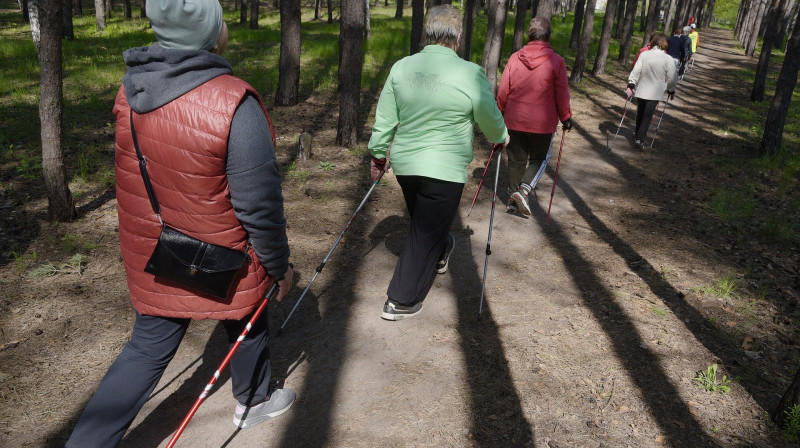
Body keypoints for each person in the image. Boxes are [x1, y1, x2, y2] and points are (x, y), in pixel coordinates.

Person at [65, 1, 294, 446]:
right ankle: (254, 400)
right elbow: (260, 206)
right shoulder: (234, 102)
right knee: (247, 308)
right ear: (210, 29)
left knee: (147, 347)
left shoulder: (131, 90)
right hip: (223, 254)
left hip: (156, 251)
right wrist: (278, 264)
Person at [368, 5, 508, 320]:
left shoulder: (401, 68)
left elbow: (385, 119)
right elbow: (489, 118)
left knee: (426, 224)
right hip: (444, 169)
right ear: (458, 37)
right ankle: (400, 300)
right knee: (423, 234)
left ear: (427, 34)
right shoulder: (470, 72)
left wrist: (378, 154)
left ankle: (442, 248)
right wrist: (501, 135)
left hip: (407, 166)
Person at [496, 17, 572, 216]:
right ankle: (523, 190)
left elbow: (503, 90)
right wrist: (565, 117)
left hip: (514, 119)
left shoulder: (515, 58)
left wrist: (500, 110)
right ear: (549, 37)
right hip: (542, 123)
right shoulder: (556, 61)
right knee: (540, 159)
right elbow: (562, 93)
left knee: (516, 160)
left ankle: (512, 201)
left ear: (529, 36)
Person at [626, 33, 677, 150]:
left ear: (653, 42)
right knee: (647, 115)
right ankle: (639, 139)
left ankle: (637, 136)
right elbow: (672, 78)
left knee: (640, 113)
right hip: (655, 92)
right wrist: (671, 89)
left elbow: (636, 70)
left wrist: (632, 82)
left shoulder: (644, 54)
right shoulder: (668, 58)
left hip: (642, 89)